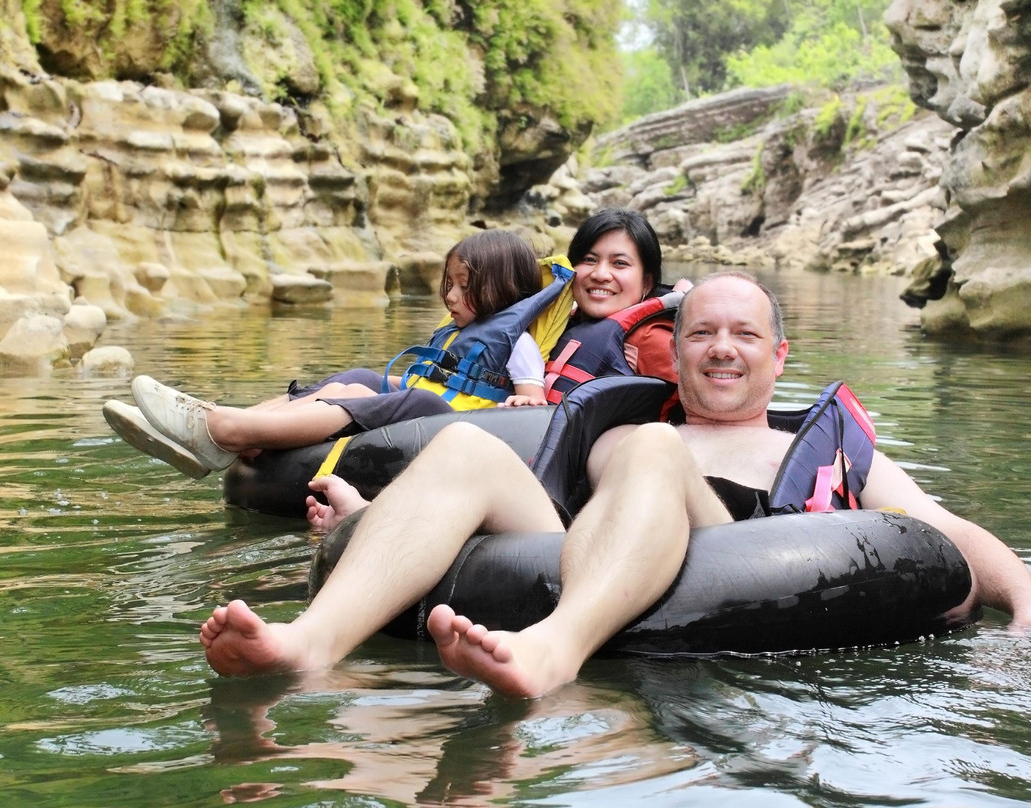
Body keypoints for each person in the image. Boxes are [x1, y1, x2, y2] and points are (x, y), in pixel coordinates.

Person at [198, 271, 1031, 698]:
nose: (722, 348)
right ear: (677, 349)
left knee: (653, 453)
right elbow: (536, 515)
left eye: (745, 334)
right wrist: (362, 517)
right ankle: (307, 644)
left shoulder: (827, 449)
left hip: (753, 560)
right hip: (592, 541)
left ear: (778, 357)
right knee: (465, 445)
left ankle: (555, 648)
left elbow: (938, 532)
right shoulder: (628, 425)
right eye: (701, 332)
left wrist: (1023, 605)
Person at [104, 208, 666, 477]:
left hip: (510, 440)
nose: (599, 273)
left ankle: (223, 430)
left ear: (647, 279)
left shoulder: (645, 339)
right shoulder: (550, 318)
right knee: (362, 378)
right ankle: (223, 426)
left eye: (620, 264)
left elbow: (641, 416)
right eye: (589, 259)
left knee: (407, 399)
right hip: (474, 412)